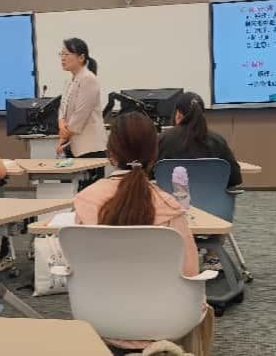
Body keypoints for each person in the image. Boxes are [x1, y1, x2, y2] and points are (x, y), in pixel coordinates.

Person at [73, 111, 212, 355]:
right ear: (154, 155)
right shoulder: (168, 207)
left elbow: (72, 265)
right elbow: (190, 273)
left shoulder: (85, 200)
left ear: (110, 153)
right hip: (166, 320)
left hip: (98, 316)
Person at [157, 91, 242, 189]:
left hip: (170, 198)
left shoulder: (162, 139)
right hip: (212, 198)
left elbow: (150, 175)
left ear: (178, 114)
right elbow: (235, 178)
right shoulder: (218, 141)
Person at [58, 37, 107, 189]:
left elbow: (80, 115)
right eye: (61, 54)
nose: (63, 58)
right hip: (74, 145)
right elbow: (62, 108)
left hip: (90, 148)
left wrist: (63, 138)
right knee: (75, 192)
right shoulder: (69, 81)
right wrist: (61, 122)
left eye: (67, 54)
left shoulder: (89, 79)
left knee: (91, 192)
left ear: (81, 57)